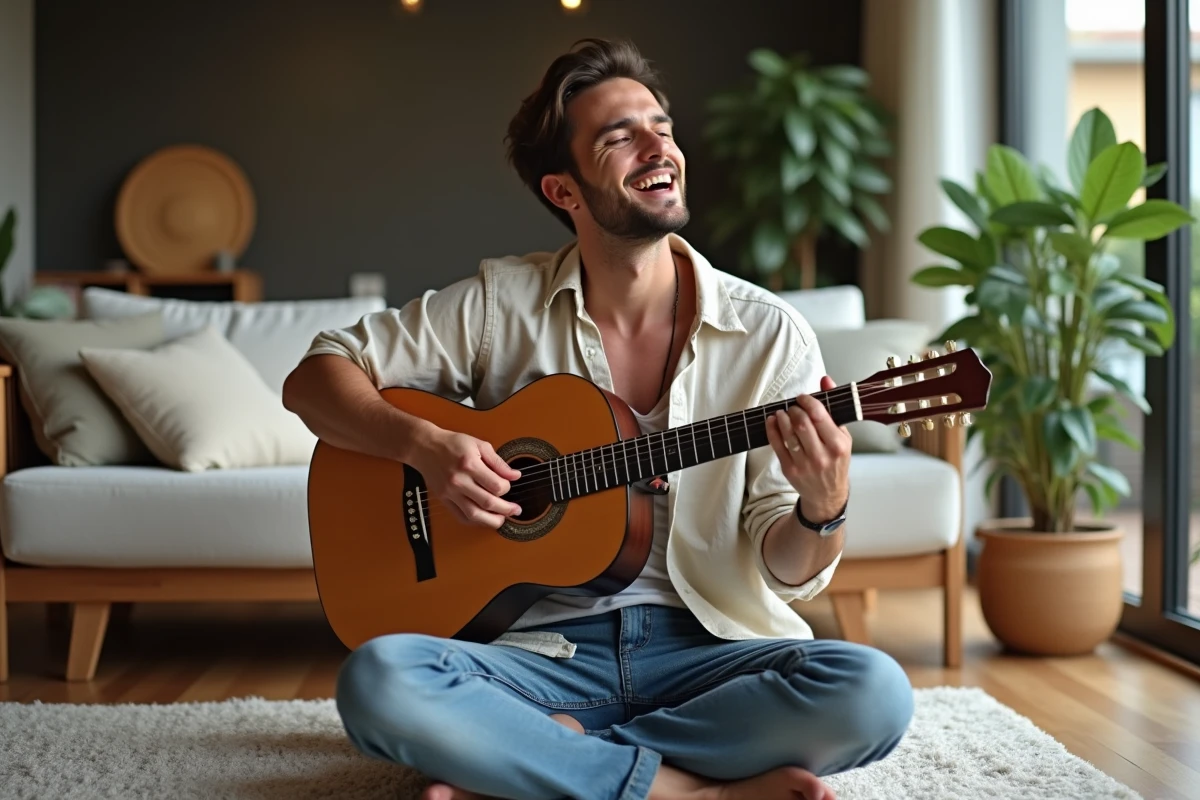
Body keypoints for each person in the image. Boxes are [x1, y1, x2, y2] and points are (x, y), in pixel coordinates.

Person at [282, 38, 913, 800]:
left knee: (874, 691)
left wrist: (823, 506)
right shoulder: (498, 305)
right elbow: (315, 377)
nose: (659, 146)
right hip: (536, 655)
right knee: (379, 678)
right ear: (565, 191)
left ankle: (546, 762)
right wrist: (425, 446)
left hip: (706, 652)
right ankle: (689, 790)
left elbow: (787, 569)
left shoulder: (770, 333)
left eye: (661, 125)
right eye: (620, 137)